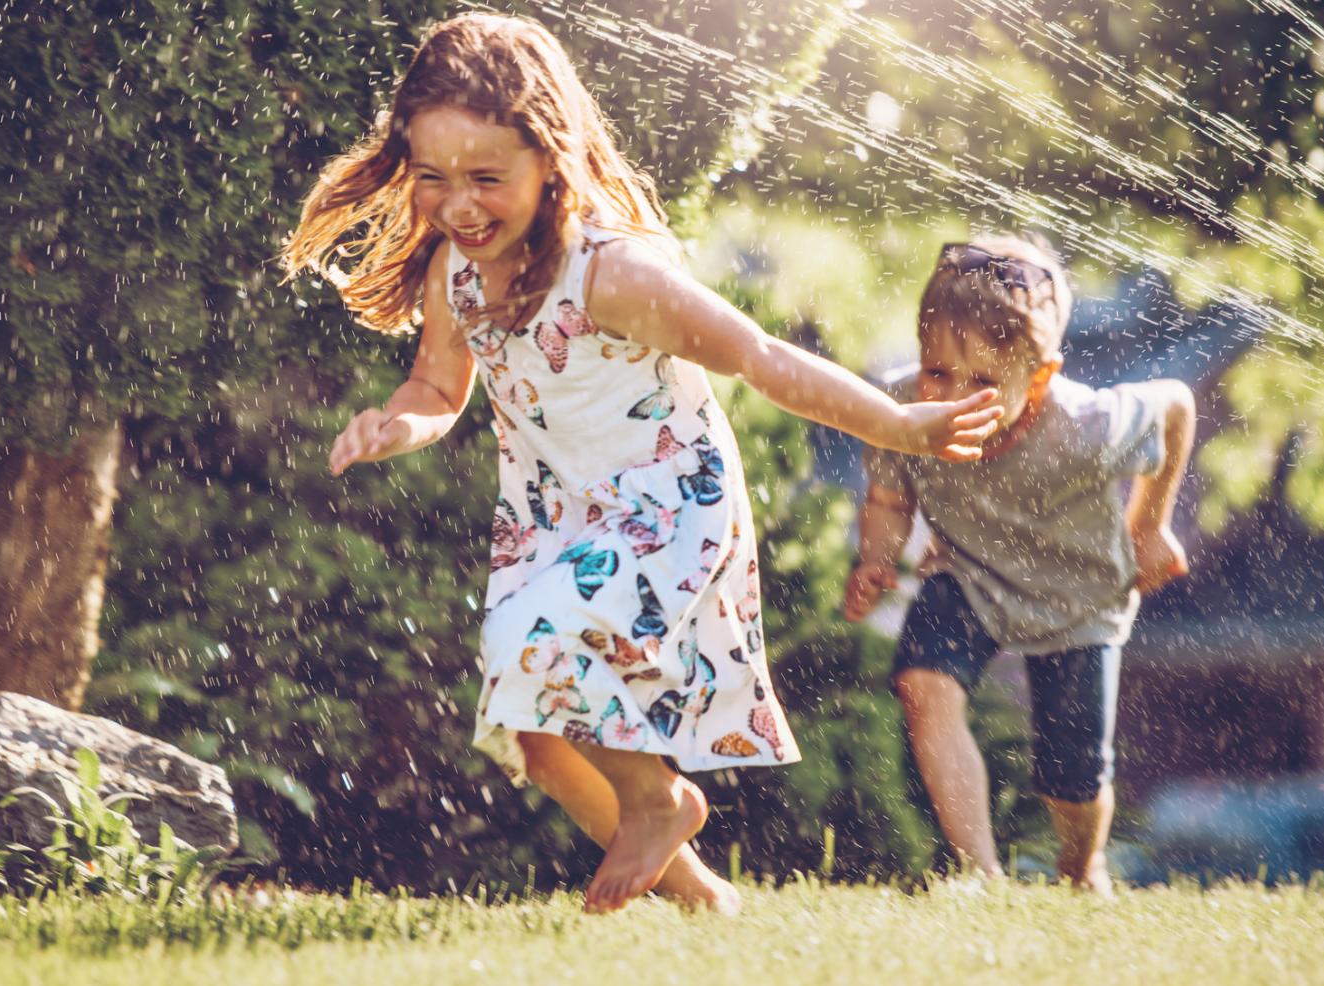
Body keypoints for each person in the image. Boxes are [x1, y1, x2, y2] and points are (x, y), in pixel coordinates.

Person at [283, 12, 1003, 913]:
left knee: (526, 648)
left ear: (550, 158)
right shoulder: (455, 275)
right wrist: (398, 424)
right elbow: (437, 387)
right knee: (535, 737)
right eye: (432, 179)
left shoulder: (612, 274)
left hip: (665, 504)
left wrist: (899, 424)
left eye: (486, 178)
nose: (458, 204)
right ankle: (703, 900)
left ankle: (660, 801)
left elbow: (760, 358)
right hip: (555, 518)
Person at [844, 236, 1197, 893]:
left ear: (1038, 378)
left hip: (1078, 598)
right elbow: (891, 496)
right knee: (924, 685)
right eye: (937, 371)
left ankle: (1080, 867)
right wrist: (877, 557)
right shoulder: (905, 412)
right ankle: (980, 876)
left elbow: (1177, 402)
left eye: (982, 382)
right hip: (968, 575)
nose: (952, 396)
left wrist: (1150, 527)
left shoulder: (1090, 424)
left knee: (1071, 776)